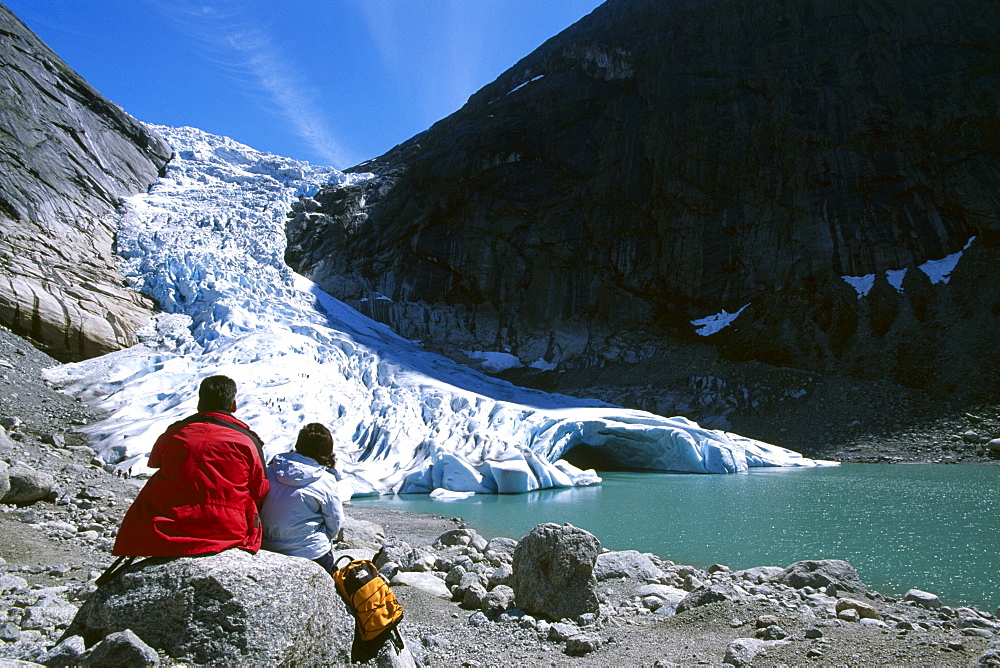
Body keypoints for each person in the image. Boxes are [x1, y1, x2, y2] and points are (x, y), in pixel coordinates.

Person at [112, 375, 269, 557]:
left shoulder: (175, 432)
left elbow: (155, 462)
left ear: (199, 404)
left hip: (166, 524)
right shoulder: (248, 441)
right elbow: (259, 489)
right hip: (226, 529)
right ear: (233, 405)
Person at [259, 422, 344, 574]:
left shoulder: (269, 471)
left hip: (269, 548)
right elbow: (335, 520)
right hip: (311, 553)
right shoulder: (325, 480)